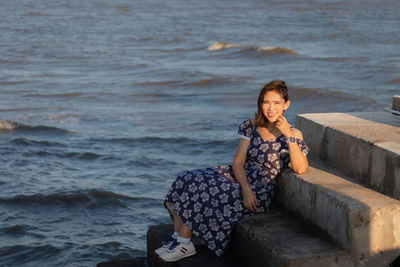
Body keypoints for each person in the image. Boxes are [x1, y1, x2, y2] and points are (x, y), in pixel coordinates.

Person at [155, 80, 309, 262]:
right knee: (187, 177)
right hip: (242, 178)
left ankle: (186, 243)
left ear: (286, 105)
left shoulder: (293, 133)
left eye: (276, 103)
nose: (270, 108)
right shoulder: (251, 126)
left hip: (261, 189)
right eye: (266, 102)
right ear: (260, 103)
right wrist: (245, 189)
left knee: (202, 188)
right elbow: (238, 162)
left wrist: (288, 136)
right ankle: (178, 239)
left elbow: (300, 168)